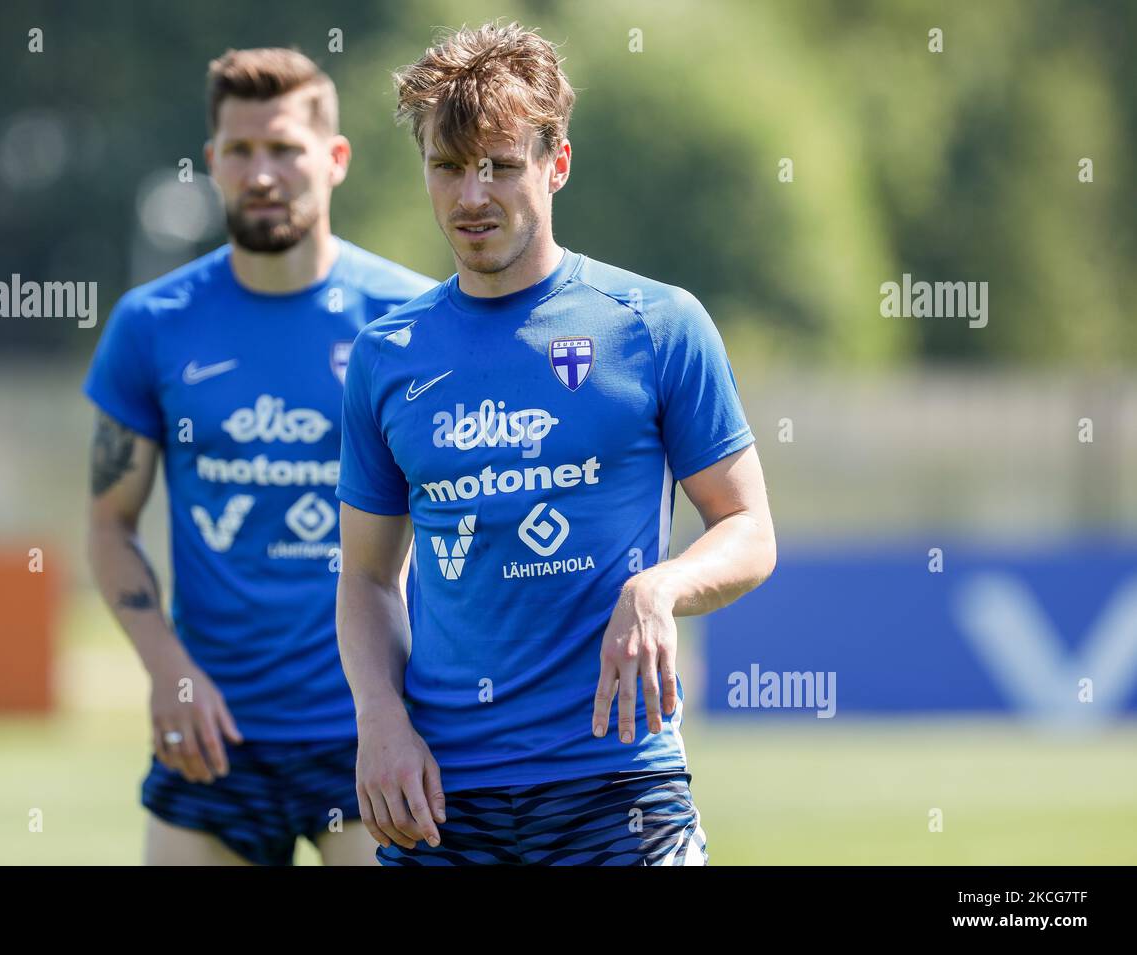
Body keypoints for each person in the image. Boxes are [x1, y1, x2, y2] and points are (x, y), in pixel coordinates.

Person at [334, 22, 777, 865]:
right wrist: (379, 719)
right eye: (448, 166)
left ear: (557, 164)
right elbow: (364, 575)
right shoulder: (386, 357)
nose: (471, 196)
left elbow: (750, 530)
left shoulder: (656, 325)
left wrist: (661, 586)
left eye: (498, 165)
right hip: (442, 797)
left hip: (618, 787)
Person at [85, 47, 436, 865]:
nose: (263, 173)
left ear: (335, 158)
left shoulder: (412, 322)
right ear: (212, 163)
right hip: (216, 735)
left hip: (373, 725)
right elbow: (109, 525)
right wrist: (167, 668)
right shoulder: (153, 324)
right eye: (240, 151)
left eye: (285, 148)